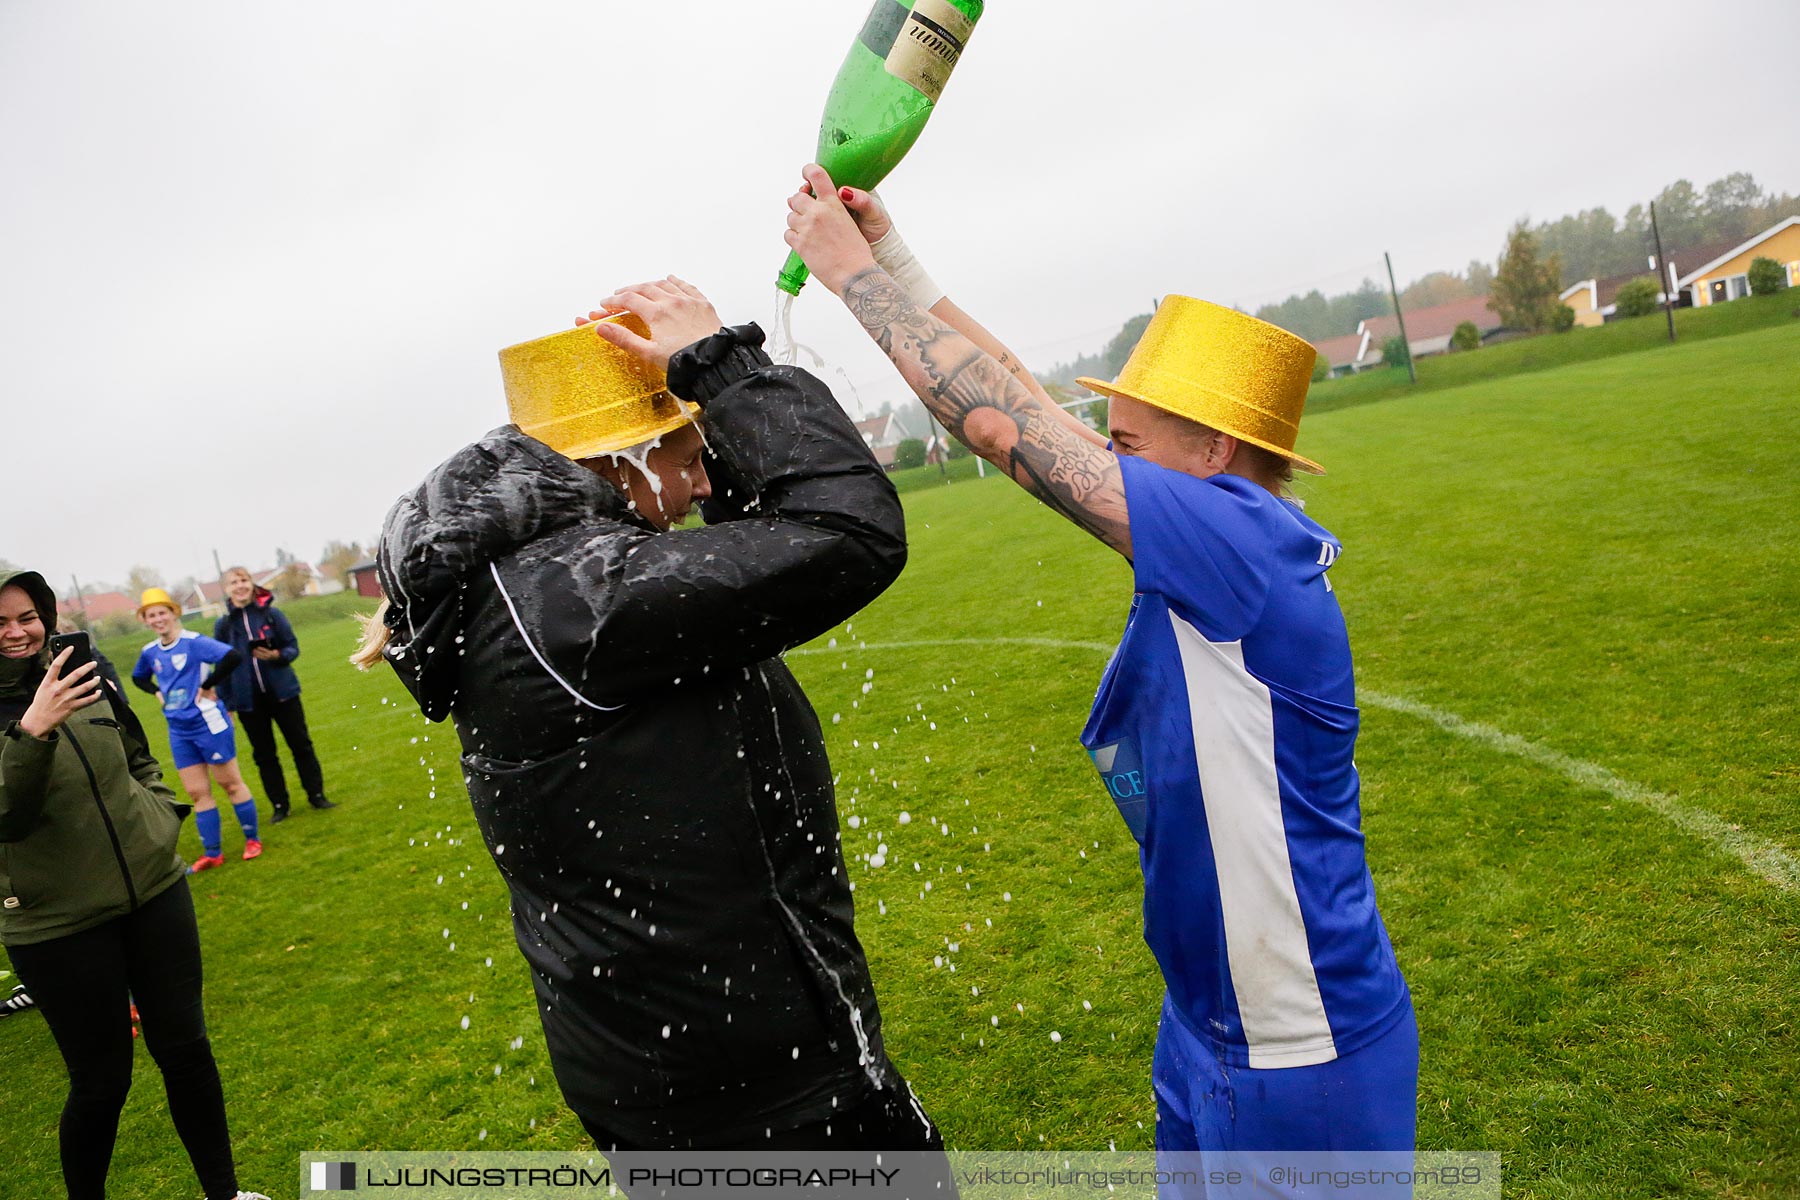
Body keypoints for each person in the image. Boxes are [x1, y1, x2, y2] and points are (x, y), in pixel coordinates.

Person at [786, 172, 1418, 1159]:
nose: (1101, 444)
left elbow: (1001, 426)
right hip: (1207, 1021)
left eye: (1128, 435)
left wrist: (853, 280)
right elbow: (1027, 401)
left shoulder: (1240, 547)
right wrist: (895, 257)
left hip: (1301, 1051)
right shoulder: (1227, 532)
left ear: (1212, 453)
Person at [355, 276, 950, 1156]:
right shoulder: (584, 600)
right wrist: (722, 362)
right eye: (687, 448)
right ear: (616, 462)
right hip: (757, 1088)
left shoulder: (535, 579)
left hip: (660, 1062)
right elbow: (845, 530)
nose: (707, 474)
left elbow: (753, 563)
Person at [0, 569, 268, 1200]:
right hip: (55, 922)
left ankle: (224, 1194)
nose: (17, 633)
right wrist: (32, 730)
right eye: (0, 623)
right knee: (101, 1082)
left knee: (187, 1052)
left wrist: (155, 818)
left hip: (152, 893)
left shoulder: (85, 672)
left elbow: (138, 754)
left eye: (27, 616)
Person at [130, 589, 264, 870]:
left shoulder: (193, 642)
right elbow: (138, 677)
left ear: (173, 613)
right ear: (145, 620)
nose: (157, 619)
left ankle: (253, 840)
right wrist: (156, 692)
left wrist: (207, 684)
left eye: (162, 612)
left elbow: (232, 657)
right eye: (151, 615)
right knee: (196, 792)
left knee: (230, 783)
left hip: (208, 724)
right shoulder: (150, 652)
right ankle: (213, 853)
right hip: (178, 730)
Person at [213, 566, 335, 822]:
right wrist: (226, 703)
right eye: (234, 582)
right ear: (227, 589)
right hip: (248, 702)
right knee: (264, 755)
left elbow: (292, 647)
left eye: (244, 580)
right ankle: (280, 805)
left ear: (252, 583)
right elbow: (221, 665)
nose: (240, 586)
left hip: (283, 693)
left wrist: (277, 655)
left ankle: (316, 795)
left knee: (301, 745)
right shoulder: (224, 625)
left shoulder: (271, 615)